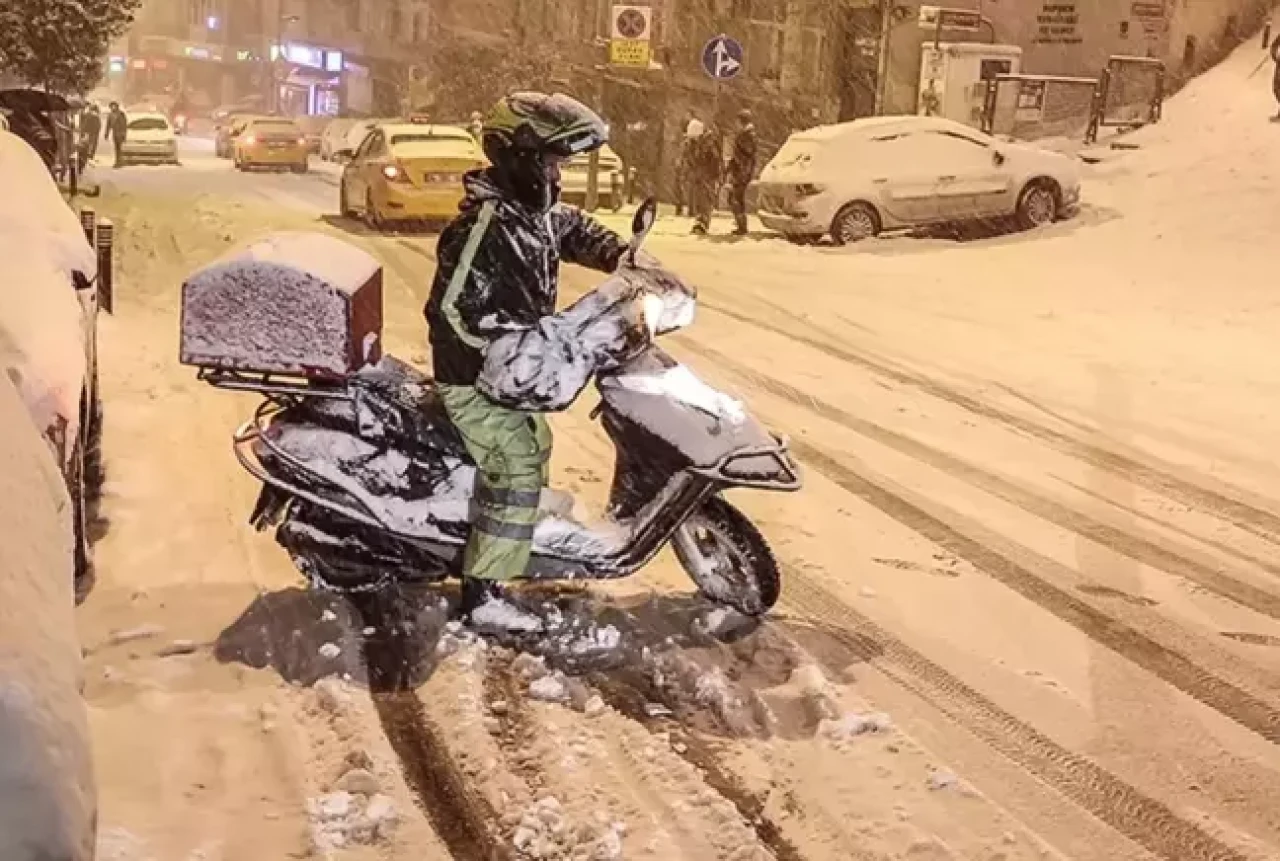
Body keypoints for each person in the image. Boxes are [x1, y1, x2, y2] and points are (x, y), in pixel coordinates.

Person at [425, 92, 631, 625]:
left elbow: (572, 229)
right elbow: (449, 311)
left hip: (512, 376)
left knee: (535, 442)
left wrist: (624, 257)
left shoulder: (531, 214)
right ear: (519, 157)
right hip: (475, 379)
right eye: (551, 160)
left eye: (560, 162)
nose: (557, 173)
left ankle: (512, 540)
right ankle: (483, 594)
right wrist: (496, 353)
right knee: (516, 461)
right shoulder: (485, 225)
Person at [686, 119, 721, 235]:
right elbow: (692, 159)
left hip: (707, 177)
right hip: (699, 175)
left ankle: (703, 222)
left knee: (706, 199)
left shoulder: (709, 143)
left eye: (694, 138)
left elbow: (714, 161)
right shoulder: (693, 143)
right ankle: (699, 220)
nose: (693, 140)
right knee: (698, 199)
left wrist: (710, 175)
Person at [726, 109, 758, 236]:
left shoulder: (747, 136)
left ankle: (742, 225)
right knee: (736, 198)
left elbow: (747, 155)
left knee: (735, 198)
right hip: (741, 172)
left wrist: (736, 164)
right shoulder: (746, 135)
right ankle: (741, 224)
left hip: (742, 173)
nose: (735, 124)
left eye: (737, 121)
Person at [673, 112, 700, 217]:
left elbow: (684, 152)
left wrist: (680, 161)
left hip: (688, 165)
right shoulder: (687, 139)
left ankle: (688, 209)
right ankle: (686, 209)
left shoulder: (689, 139)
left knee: (687, 187)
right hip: (687, 165)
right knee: (686, 187)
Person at [105, 102, 128, 168]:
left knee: (119, 148)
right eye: (112, 106)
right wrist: (106, 134)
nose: (113, 107)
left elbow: (124, 125)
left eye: (114, 106)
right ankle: (118, 161)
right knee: (116, 148)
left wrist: (124, 134)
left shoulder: (121, 114)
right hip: (114, 133)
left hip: (120, 133)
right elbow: (108, 125)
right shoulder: (110, 115)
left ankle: (119, 162)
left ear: (117, 106)